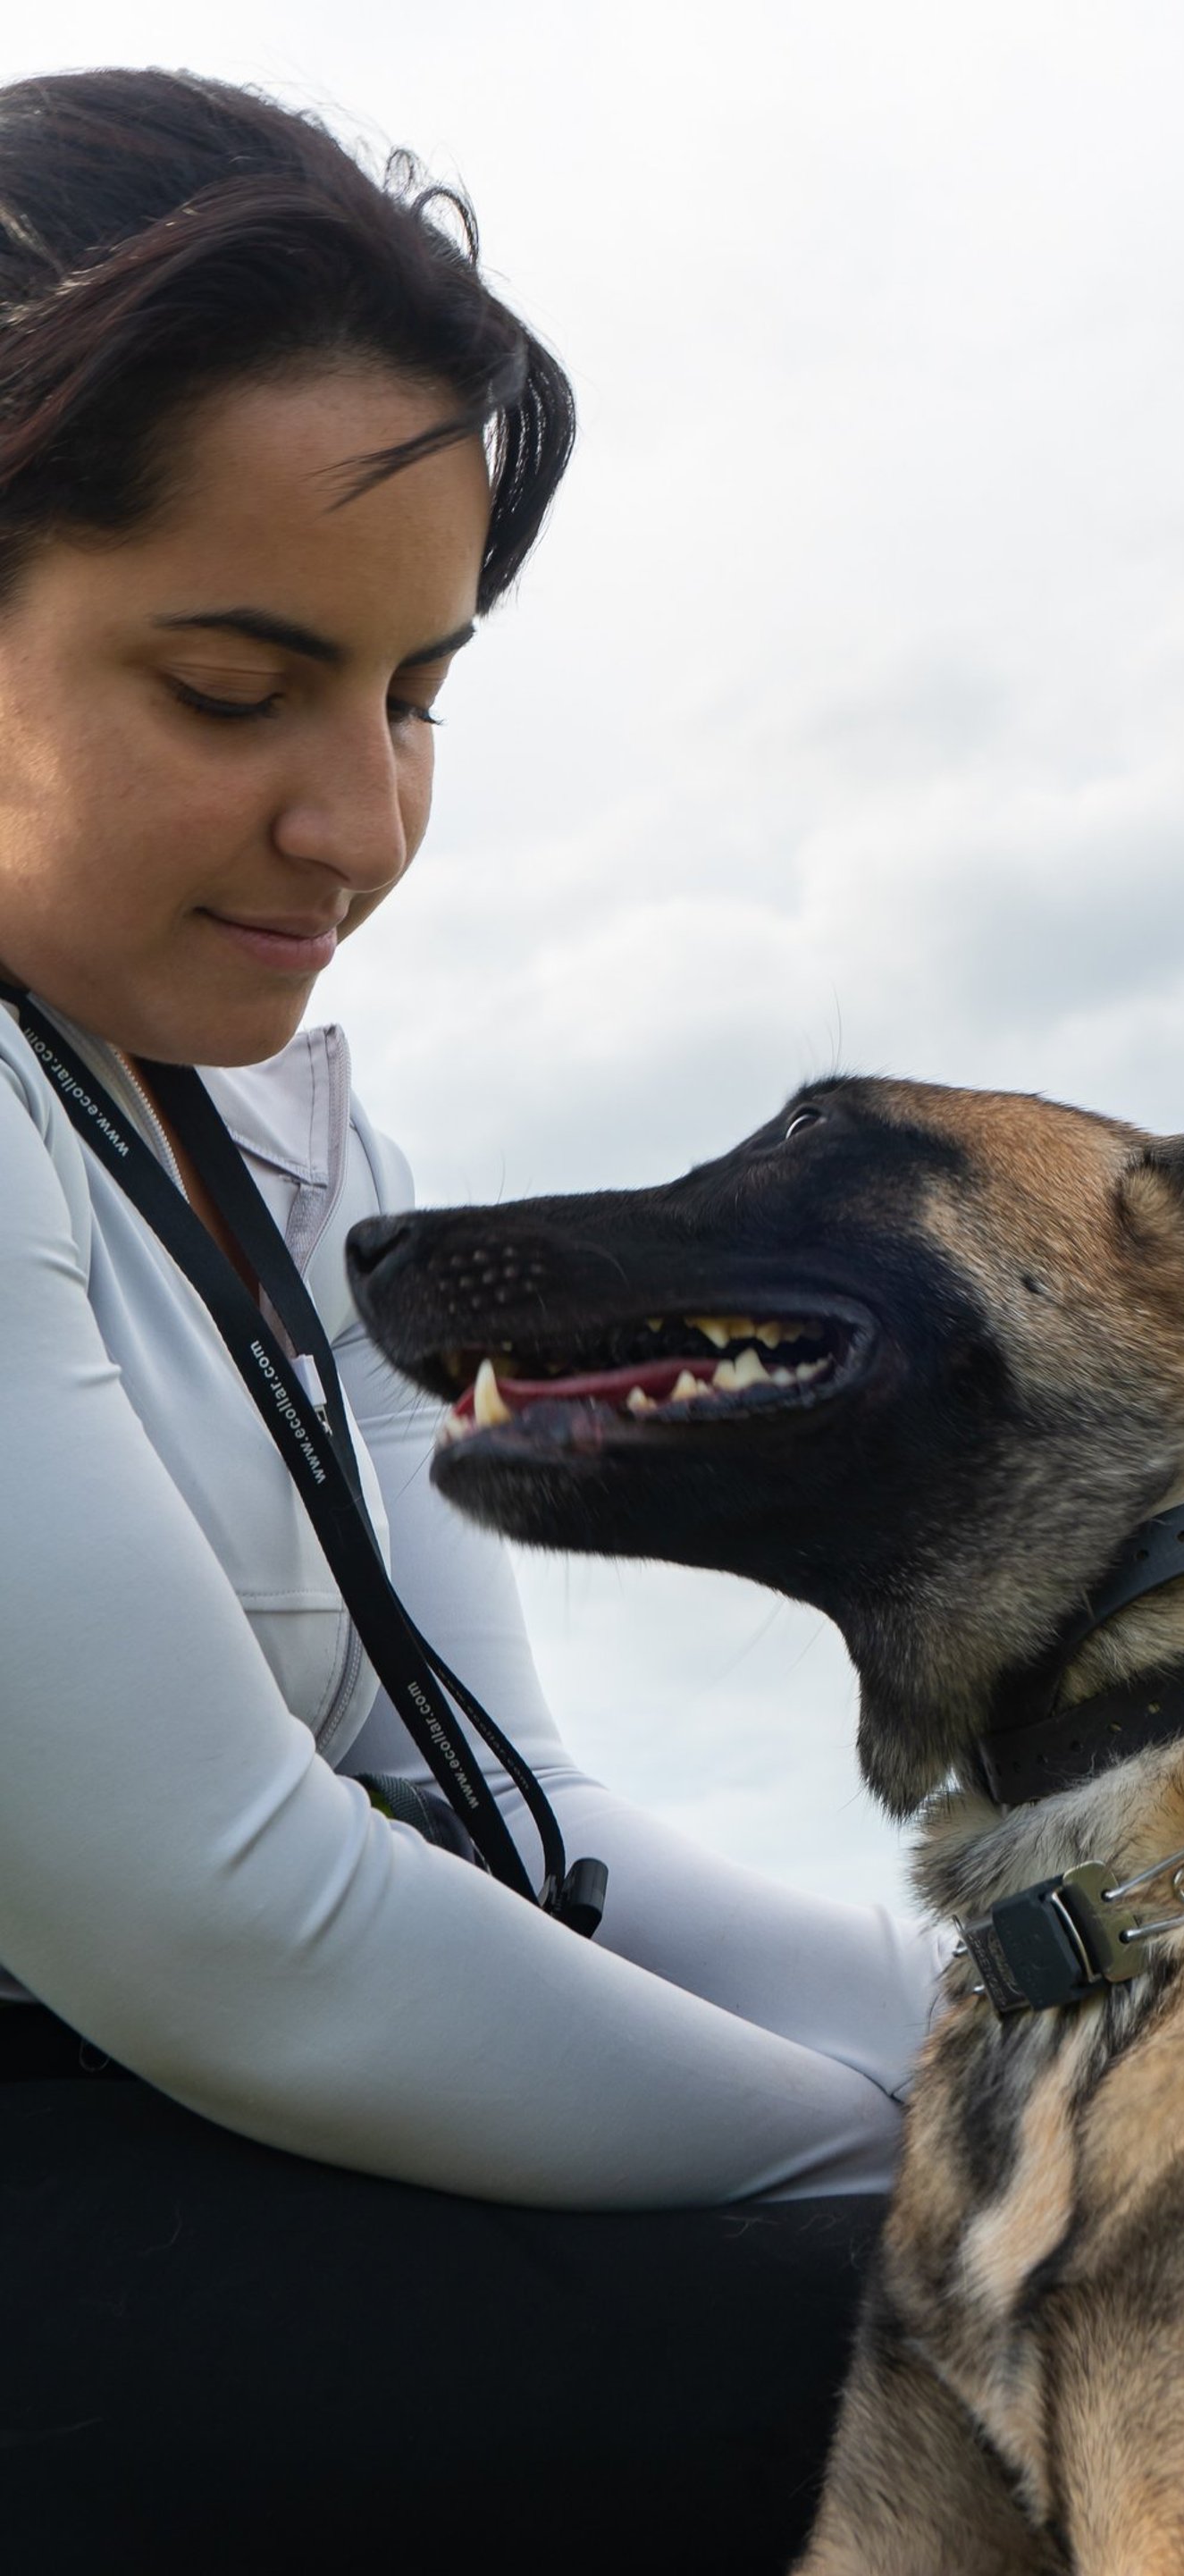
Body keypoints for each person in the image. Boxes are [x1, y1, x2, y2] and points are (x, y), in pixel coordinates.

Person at [0, 67, 942, 2569]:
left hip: (162, 2165)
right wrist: (982, 2189)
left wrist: (1077, 2064)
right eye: (232, 690)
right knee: (1010, 2366)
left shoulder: (268, 1120)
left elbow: (510, 1816)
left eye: (413, 694)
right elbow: (226, 1923)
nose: (361, 821)